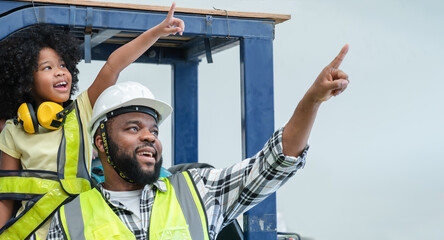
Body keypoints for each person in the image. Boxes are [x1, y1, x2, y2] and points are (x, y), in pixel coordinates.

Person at [46, 44, 350, 240]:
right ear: (100, 140)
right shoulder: (68, 220)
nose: (149, 136)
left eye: (154, 129)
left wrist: (312, 101)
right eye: (133, 128)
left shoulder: (198, 192)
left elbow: (275, 163)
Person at [0, 3, 184, 239]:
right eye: (48, 67)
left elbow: (113, 65)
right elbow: (6, 194)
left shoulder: (80, 112)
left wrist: (157, 32)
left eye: (63, 65)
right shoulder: (12, 131)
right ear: (25, 79)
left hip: (81, 231)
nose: (60, 72)